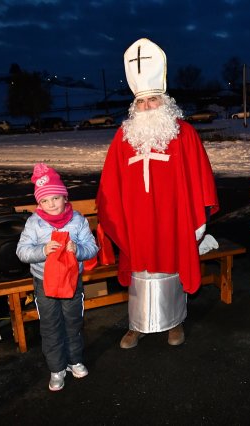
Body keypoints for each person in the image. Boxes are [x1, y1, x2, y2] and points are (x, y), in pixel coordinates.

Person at [96, 38, 219, 349]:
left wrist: (197, 216)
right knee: (140, 268)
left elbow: (200, 177)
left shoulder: (183, 133)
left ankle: (174, 321)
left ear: (165, 101)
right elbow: (110, 182)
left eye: (152, 99)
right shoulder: (123, 137)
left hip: (172, 217)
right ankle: (137, 325)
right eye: (141, 101)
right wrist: (113, 214)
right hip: (136, 220)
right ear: (133, 106)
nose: (147, 106)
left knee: (171, 261)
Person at [16, 163, 99, 391]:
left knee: (73, 322)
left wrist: (77, 249)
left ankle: (74, 361)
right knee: (51, 325)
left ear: (64, 197)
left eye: (55, 198)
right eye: (45, 200)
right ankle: (56, 368)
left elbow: (92, 247)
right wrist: (42, 250)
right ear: (39, 203)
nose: (51, 204)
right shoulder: (34, 223)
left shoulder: (77, 220)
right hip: (44, 283)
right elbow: (21, 251)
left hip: (72, 282)